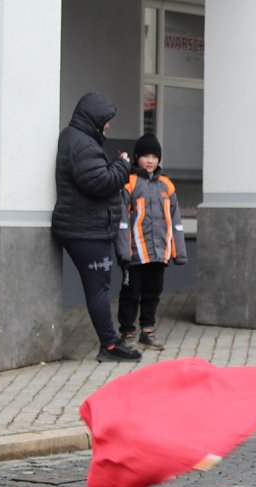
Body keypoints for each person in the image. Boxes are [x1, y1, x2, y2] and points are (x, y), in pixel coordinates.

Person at [52, 92, 141, 363]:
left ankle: (110, 343)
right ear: (94, 119)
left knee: (98, 288)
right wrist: (123, 166)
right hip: (86, 230)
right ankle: (110, 346)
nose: (108, 125)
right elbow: (99, 182)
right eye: (106, 120)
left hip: (83, 228)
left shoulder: (75, 138)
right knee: (98, 289)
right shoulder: (83, 145)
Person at [114, 133, 187, 350]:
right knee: (131, 293)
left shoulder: (167, 186)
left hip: (159, 252)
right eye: (145, 155)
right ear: (137, 157)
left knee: (152, 293)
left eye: (154, 156)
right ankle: (127, 331)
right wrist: (123, 252)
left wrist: (178, 252)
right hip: (135, 253)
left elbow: (176, 221)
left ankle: (147, 329)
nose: (150, 160)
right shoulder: (129, 183)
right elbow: (122, 221)